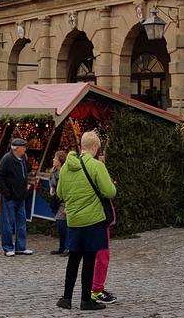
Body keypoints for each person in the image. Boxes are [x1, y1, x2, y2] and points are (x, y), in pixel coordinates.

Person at [56, 131, 116, 311]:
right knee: (89, 260)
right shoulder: (97, 166)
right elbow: (109, 192)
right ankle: (86, 300)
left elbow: (60, 193)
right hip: (93, 220)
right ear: (95, 147)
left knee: (73, 259)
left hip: (74, 221)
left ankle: (66, 298)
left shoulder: (66, 166)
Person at [0, 137, 35, 256]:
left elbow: (24, 174)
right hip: (10, 197)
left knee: (21, 222)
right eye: (23, 147)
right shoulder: (7, 159)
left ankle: (20, 247)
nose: (25, 149)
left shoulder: (22, 159)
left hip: (20, 196)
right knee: (8, 223)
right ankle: (8, 248)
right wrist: (6, 193)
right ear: (16, 148)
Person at [89, 149, 117, 305]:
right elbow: (109, 191)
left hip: (81, 219)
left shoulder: (75, 167)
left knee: (86, 256)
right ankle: (96, 290)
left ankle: (92, 289)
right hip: (98, 217)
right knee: (102, 256)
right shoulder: (97, 168)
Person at [49, 150, 69, 256]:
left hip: (65, 201)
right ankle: (62, 247)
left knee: (62, 223)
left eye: (55, 158)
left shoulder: (65, 172)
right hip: (58, 200)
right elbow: (52, 183)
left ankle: (67, 247)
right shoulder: (54, 171)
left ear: (60, 160)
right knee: (61, 224)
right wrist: (52, 189)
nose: (53, 159)